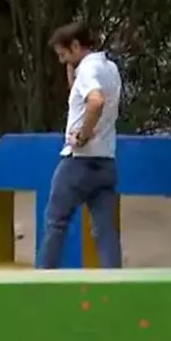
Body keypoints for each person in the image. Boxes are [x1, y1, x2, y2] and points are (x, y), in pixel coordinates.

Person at [41, 22, 123, 269]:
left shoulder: (88, 70)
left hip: (79, 160)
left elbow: (95, 102)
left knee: (56, 222)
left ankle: (40, 281)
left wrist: (83, 135)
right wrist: (70, 66)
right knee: (105, 230)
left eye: (63, 54)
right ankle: (114, 283)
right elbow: (78, 95)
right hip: (106, 160)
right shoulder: (109, 67)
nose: (61, 60)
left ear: (76, 46)